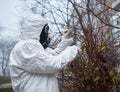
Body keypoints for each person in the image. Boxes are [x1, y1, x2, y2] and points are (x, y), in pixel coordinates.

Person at [9, 14, 79, 92]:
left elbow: (53, 55)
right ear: (37, 30)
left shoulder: (35, 48)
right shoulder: (25, 47)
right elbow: (53, 64)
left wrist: (65, 40)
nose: (48, 34)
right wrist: (72, 51)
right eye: (46, 30)